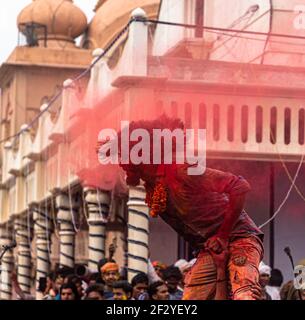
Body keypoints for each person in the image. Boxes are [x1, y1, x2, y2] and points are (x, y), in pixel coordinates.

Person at [111, 115, 264, 300]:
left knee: (244, 296)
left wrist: (223, 236)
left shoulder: (180, 170)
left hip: (240, 239)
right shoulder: (153, 184)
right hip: (209, 250)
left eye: (125, 153)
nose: (121, 160)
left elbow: (239, 186)